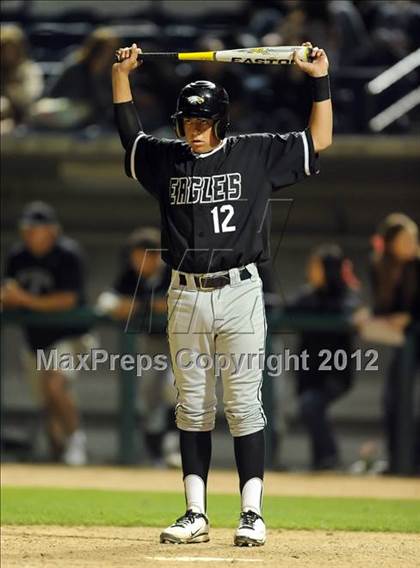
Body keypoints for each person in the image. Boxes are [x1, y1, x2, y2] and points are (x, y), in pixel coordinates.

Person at [112, 40, 332, 546]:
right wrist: (121, 76)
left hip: (239, 291)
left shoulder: (255, 152)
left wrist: (319, 79)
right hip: (185, 293)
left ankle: (251, 513)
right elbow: (132, 139)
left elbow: (319, 137)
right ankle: (195, 514)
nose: (193, 130)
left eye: (201, 122)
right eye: (187, 122)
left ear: (221, 121)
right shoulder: (168, 159)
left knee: (243, 405)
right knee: (191, 406)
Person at [1, 202, 90, 465]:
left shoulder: (68, 254)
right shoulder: (18, 256)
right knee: (47, 400)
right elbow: (9, 292)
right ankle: (58, 449)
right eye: (26, 229)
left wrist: (24, 299)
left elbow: (68, 300)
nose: (28, 234)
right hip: (35, 340)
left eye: (35, 229)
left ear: (51, 231)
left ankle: (76, 439)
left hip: (69, 336)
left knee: (54, 384)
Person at [96, 227, 180, 468]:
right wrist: (141, 305)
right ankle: (156, 450)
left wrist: (140, 305)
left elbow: (170, 303)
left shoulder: (173, 270)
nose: (138, 263)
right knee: (148, 393)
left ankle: (175, 445)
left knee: (174, 387)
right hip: (153, 342)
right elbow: (108, 302)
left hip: (184, 341)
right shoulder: (130, 275)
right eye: (135, 257)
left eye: (144, 257)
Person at [285, 244, 361, 470]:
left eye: (317, 267)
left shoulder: (345, 297)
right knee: (310, 407)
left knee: (310, 405)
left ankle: (329, 456)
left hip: (335, 372)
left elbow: (349, 311)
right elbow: (288, 310)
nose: (312, 271)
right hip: (309, 372)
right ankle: (322, 462)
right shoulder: (307, 295)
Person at [370, 213, 420, 474]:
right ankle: (397, 460)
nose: (412, 244)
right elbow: (381, 307)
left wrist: (410, 318)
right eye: (405, 240)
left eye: (413, 239)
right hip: (403, 345)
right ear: (390, 244)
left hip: (414, 335)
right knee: (393, 400)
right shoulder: (380, 266)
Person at [0, 24, 44, 134]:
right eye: (4, 49)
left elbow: (31, 96)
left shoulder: (29, 69)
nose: (8, 54)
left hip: (22, 117)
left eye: (12, 49)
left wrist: (15, 90)